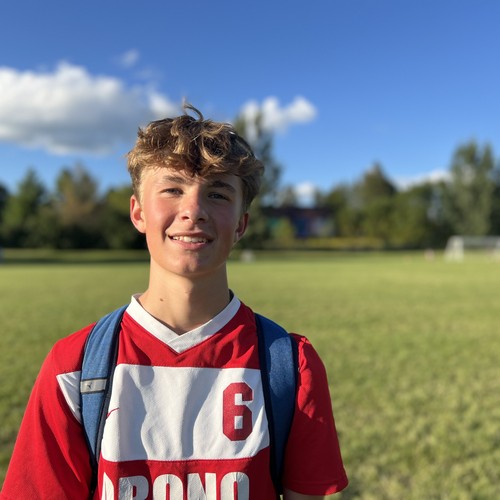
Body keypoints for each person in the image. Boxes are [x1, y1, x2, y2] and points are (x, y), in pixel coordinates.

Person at [1, 104, 348, 499]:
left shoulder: (292, 366)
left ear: (241, 224)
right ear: (138, 213)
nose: (193, 211)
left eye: (217, 194)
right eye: (172, 190)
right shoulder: (73, 368)